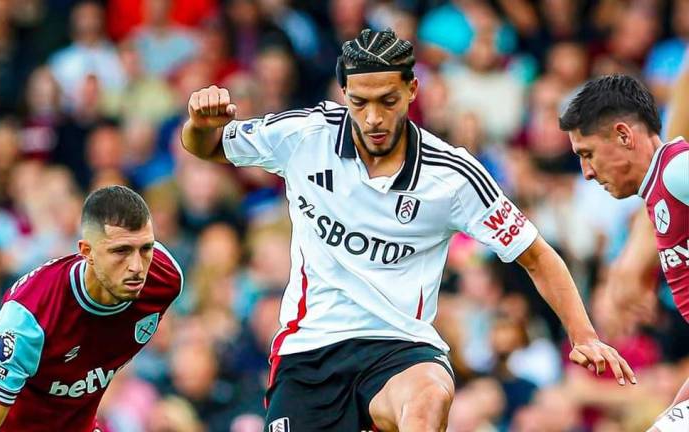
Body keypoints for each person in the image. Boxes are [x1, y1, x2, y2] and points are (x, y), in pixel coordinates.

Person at [182, 28, 635, 432]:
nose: (374, 118)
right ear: (343, 94)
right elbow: (209, 147)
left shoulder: (452, 175)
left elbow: (536, 254)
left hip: (400, 347)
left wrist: (584, 335)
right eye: (359, 102)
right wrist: (200, 125)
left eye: (388, 100)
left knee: (429, 396)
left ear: (412, 89)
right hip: (311, 350)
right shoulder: (304, 135)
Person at [0, 185, 184, 432]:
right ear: (87, 252)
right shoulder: (31, 313)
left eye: (146, 248)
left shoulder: (164, 280)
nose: (137, 267)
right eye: (121, 251)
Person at [559, 73, 689, 432]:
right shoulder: (659, 189)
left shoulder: (678, 171)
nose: (586, 172)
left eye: (588, 154)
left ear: (623, 135)